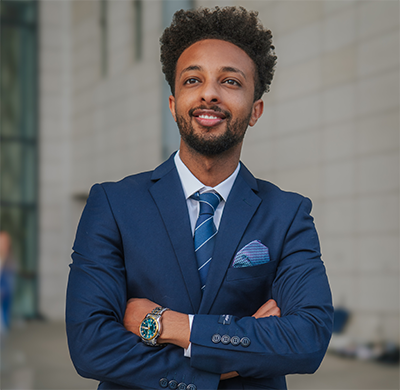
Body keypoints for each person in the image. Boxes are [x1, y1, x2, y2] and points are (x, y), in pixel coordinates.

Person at [66, 7, 333, 390]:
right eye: (193, 80)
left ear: (255, 110)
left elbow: (308, 339)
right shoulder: (112, 204)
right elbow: (90, 345)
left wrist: (169, 324)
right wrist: (228, 362)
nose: (209, 93)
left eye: (230, 81)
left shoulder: (287, 214)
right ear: (173, 104)